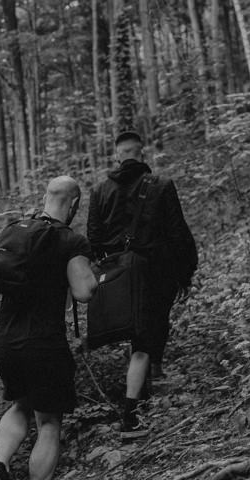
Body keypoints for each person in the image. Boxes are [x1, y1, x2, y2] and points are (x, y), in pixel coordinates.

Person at [0, 175, 98, 480]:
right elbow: (84, 292)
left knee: (20, 404)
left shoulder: (14, 230)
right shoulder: (70, 240)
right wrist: (94, 278)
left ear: (45, 197)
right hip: (43, 342)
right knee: (49, 424)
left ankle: (0, 467)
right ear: (74, 205)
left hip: (5, 341)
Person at [87, 130, 198, 439]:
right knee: (145, 342)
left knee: (139, 338)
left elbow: (93, 240)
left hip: (117, 277)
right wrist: (185, 273)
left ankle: (143, 398)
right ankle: (132, 413)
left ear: (117, 156)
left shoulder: (98, 191)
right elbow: (179, 235)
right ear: (141, 153)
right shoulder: (161, 185)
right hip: (154, 273)